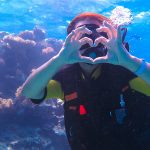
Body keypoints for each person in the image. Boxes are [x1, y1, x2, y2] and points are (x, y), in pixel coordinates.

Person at [18, 12, 150, 150]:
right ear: (71, 41)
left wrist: (129, 61)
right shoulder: (66, 79)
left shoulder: (126, 72)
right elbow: (29, 92)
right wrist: (59, 60)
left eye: (98, 35)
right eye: (83, 35)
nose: (91, 42)